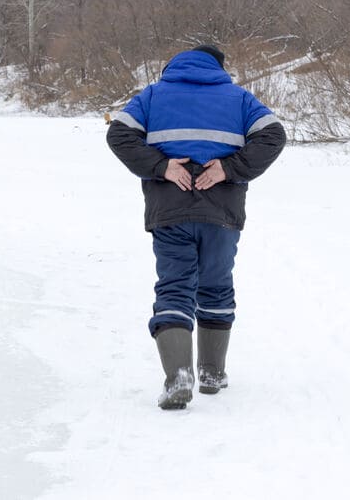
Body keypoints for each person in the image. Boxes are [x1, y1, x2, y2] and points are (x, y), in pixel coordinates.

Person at [106, 44, 286, 410]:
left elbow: (119, 135)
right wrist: (228, 168)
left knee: (174, 287)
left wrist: (162, 166)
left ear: (174, 66)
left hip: (169, 209)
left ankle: (178, 376)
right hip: (222, 210)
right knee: (217, 285)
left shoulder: (153, 96)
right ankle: (211, 373)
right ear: (219, 67)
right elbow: (273, 136)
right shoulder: (239, 99)